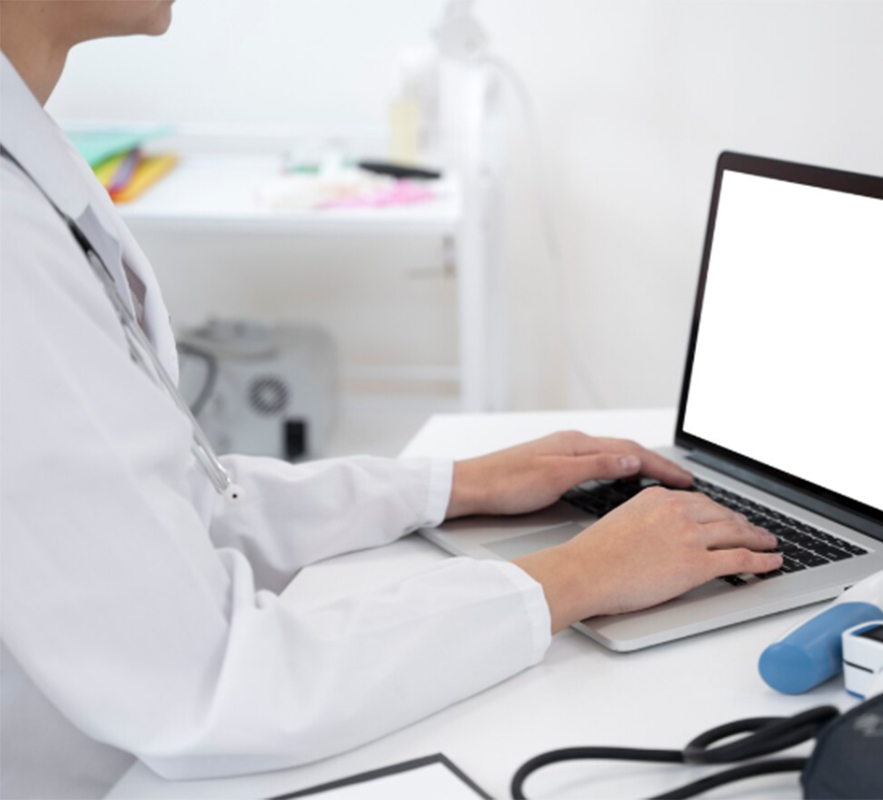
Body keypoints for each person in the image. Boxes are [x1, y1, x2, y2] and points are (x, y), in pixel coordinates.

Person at [0, 2, 782, 797]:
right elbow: (214, 687)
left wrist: (453, 484)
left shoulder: (28, 156)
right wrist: (574, 575)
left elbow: (170, 506)